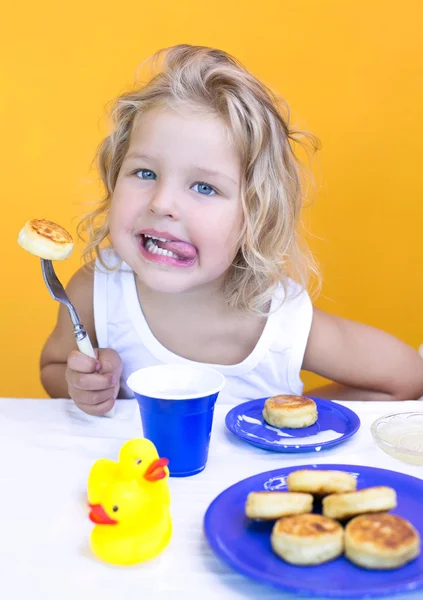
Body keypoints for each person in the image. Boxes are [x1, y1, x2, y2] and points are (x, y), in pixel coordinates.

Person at [40, 45, 423, 415]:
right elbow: (53, 368)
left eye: (205, 187)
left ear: (256, 216)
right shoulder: (97, 289)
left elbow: (405, 378)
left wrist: (286, 415)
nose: (162, 203)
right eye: (145, 173)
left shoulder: (277, 320)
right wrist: (84, 386)